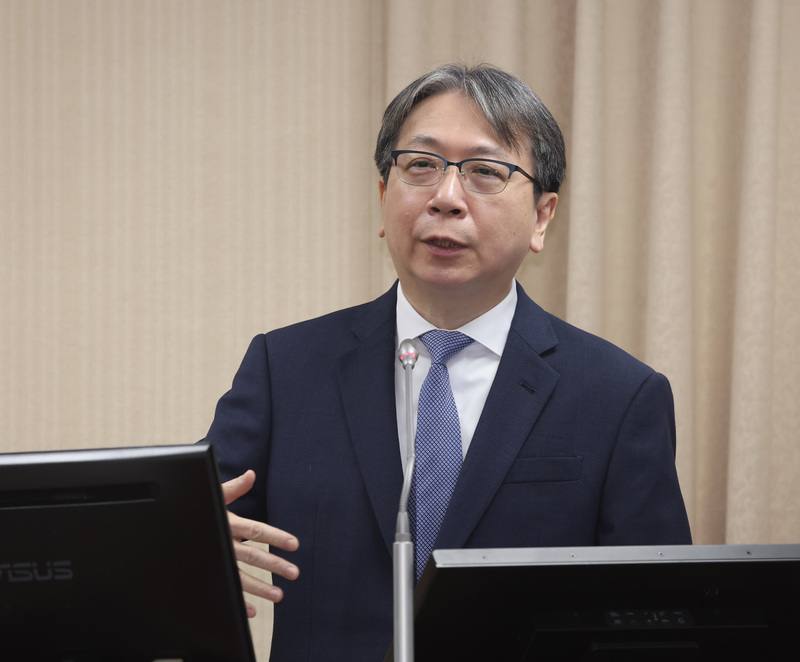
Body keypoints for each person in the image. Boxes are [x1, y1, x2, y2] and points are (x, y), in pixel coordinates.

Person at [206, 63, 691, 661]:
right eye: (421, 166)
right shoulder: (286, 369)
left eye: (486, 172)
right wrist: (190, 548)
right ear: (384, 197)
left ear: (542, 216)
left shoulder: (619, 397)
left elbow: (657, 617)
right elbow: (189, 543)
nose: (445, 198)